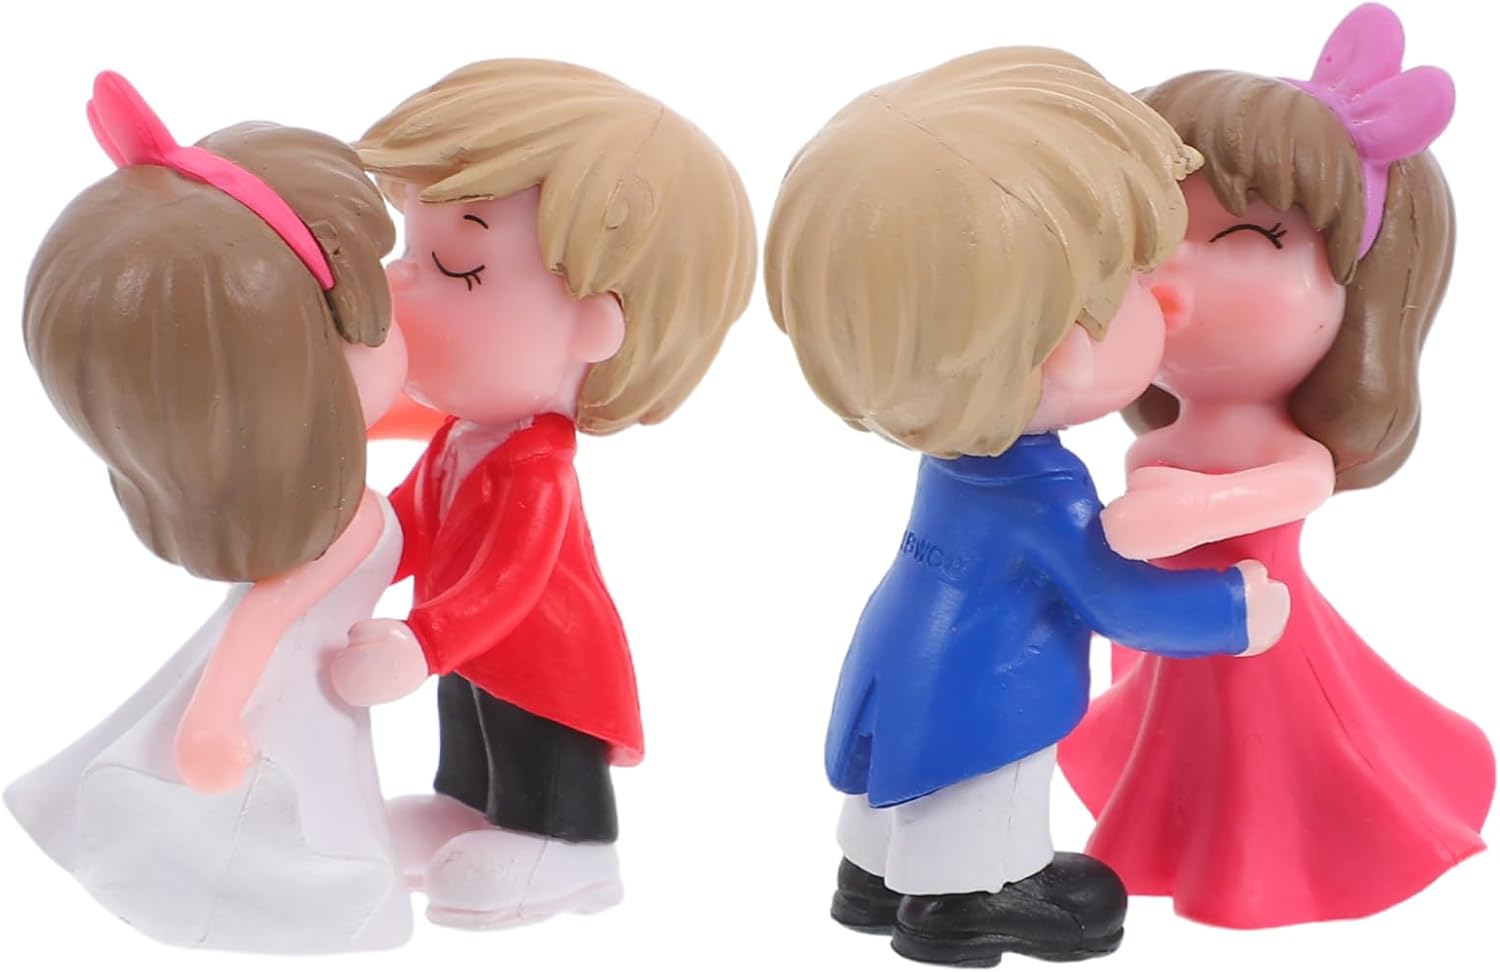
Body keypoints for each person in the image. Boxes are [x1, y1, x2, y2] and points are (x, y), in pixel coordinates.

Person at [763, 47, 1290, 968]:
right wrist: (1235, 609)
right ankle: (970, 898)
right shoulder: (1044, 491)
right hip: (986, 689)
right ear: (1058, 347)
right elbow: (1115, 598)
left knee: (900, 776)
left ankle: (874, 871)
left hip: (900, 653)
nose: (1165, 297)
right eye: (1132, 283)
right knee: (988, 795)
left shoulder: (953, 455)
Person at [1059, 3, 1494, 929]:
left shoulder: (1285, 451)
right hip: (1184, 640)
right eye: (1149, 238)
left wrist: (1182, 511)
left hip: (1265, 639)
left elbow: (1294, 488)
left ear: (1355, 297)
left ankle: (1261, 860)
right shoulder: (1163, 439)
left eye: (1245, 240)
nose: (1166, 277)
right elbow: (1141, 501)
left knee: (1267, 749)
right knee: (1185, 742)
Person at [329, 58, 758, 929]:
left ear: (594, 326)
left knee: (534, 744)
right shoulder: (462, 437)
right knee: (470, 729)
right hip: (468, 647)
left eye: (456, 265)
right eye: (406, 253)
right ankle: (467, 807)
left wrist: (422, 640)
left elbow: (510, 581)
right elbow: (413, 523)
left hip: (544, 662)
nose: (400, 285)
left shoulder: (535, 468)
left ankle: (569, 846)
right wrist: (351, 547)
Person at [4, 73, 412, 952]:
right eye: (370, 319)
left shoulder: (321, 477)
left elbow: (405, 406)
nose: (398, 319)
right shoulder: (343, 524)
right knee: (289, 825)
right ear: (301, 389)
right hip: (292, 692)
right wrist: (213, 721)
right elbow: (263, 622)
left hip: (321, 682)